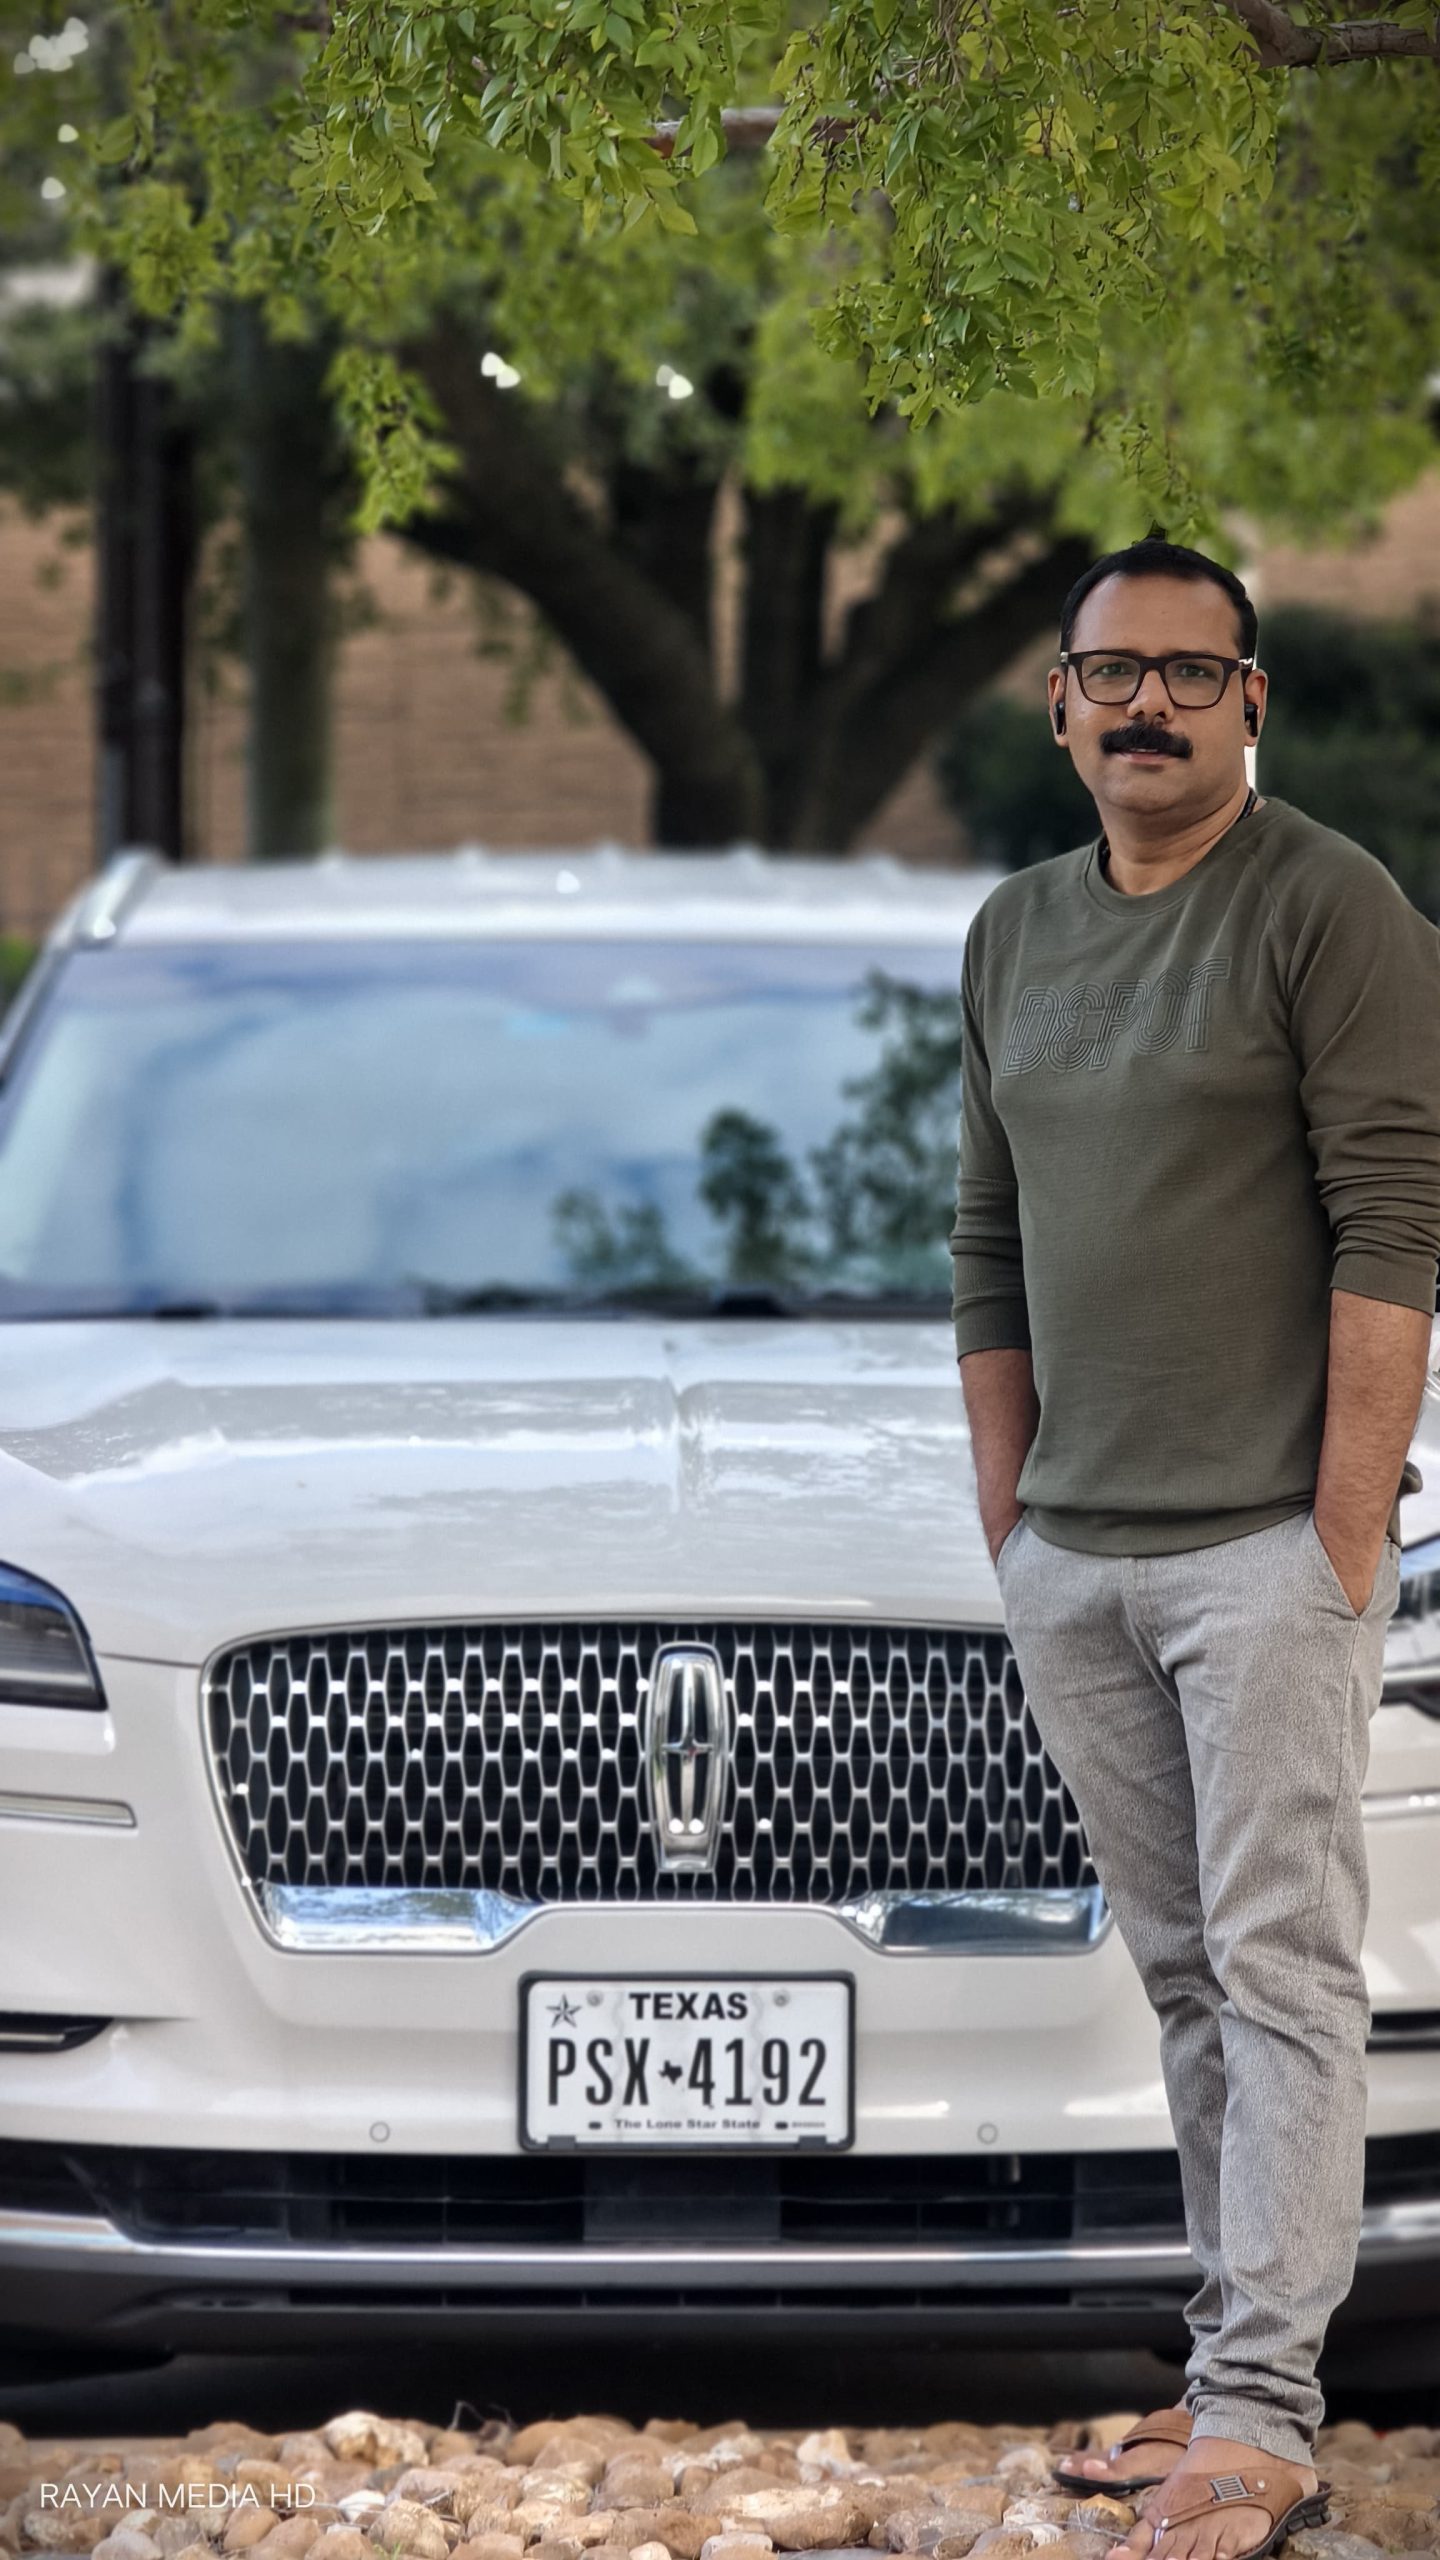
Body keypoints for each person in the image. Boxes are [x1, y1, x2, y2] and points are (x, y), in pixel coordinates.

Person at [949, 538, 1440, 2560]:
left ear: (1250, 701)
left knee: (1283, 1971)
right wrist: (1014, 1525)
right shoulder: (1014, 931)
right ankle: (1233, 2366)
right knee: (1184, 1978)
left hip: (1262, 1550)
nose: (1144, 703)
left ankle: (1262, 2416)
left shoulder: (1329, 904)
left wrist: (1339, 1533)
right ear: (1061, 705)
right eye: (1109, 672)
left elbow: (1397, 1225)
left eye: (1187, 670)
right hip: (1077, 1559)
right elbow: (987, 1242)